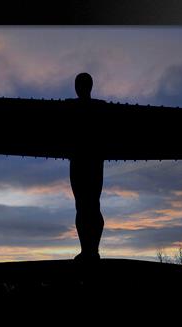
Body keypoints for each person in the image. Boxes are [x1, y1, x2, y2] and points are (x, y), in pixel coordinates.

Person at [68, 73, 105, 262]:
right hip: (83, 162)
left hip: (89, 162)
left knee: (90, 204)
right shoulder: (71, 107)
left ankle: (92, 250)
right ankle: (87, 250)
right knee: (83, 205)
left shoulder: (96, 108)